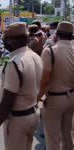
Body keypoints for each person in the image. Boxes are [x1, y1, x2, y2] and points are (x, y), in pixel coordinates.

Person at [0, 22, 42, 150]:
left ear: (12, 41)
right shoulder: (35, 56)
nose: (4, 43)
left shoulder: (14, 63)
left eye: (5, 40)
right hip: (33, 114)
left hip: (18, 120)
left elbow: (7, 101)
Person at [37, 21, 74, 150]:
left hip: (54, 99)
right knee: (67, 135)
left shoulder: (50, 51)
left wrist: (36, 100)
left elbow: (44, 81)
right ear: (72, 36)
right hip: (71, 98)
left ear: (56, 34)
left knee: (52, 138)